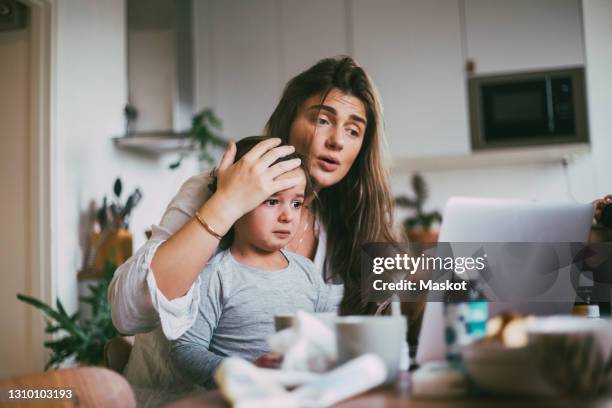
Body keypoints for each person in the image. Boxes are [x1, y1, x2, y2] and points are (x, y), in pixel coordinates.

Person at [109, 56, 398, 397]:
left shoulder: (348, 221)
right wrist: (227, 204)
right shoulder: (213, 188)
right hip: (178, 400)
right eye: (323, 120)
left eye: (353, 130)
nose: (337, 140)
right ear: (289, 120)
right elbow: (125, 314)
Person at [170, 136, 335, 388]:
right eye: (271, 201)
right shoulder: (216, 275)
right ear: (236, 203)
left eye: (296, 203)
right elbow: (185, 351)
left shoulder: (306, 271)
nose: (287, 215)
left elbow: (330, 329)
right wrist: (245, 373)